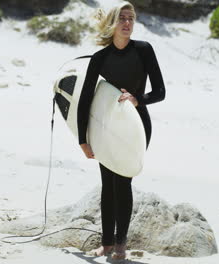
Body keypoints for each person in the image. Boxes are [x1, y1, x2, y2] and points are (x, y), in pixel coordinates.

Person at [77, 1, 166, 260]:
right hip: (106, 126)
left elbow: (160, 91)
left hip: (136, 125)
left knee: (123, 180)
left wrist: (139, 99)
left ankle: (120, 246)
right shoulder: (100, 58)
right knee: (107, 182)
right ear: (113, 23)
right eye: (122, 18)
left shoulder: (144, 50)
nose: (127, 23)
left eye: (131, 18)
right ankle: (106, 244)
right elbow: (85, 100)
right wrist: (83, 140)